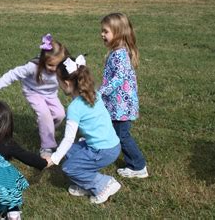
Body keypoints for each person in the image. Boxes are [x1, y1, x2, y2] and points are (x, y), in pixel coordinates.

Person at [47, 55, 122, 204]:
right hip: (112, 145)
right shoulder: (93, 93)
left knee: (69, 168)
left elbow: (68, 138)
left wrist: (54, 158)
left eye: (59, 81)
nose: (59, 85)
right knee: (70, 152)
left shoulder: (74, 108)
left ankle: (103, 184)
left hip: (103, 150)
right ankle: (85, 185)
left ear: (67, 83)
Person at [0, 34, 68, 158]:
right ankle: (46, 147)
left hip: (51, 94)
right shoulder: (32, 67)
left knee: (60, 114)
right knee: (44, 114)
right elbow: (13, 74)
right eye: (50, 65)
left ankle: (45, 129)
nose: (54, 68)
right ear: (42, 60)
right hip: (33, 92)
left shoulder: (62, 67)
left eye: (57, 65)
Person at [99, 13, 148, 178]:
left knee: (122, 135)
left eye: (106, 31)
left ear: (118, 33)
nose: (102, 35)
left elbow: (118, 79)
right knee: (116, 132)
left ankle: (138, 165)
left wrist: (102, 91)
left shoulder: (120, 55)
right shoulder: (118, 52)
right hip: (117, 104)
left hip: (121, 105)